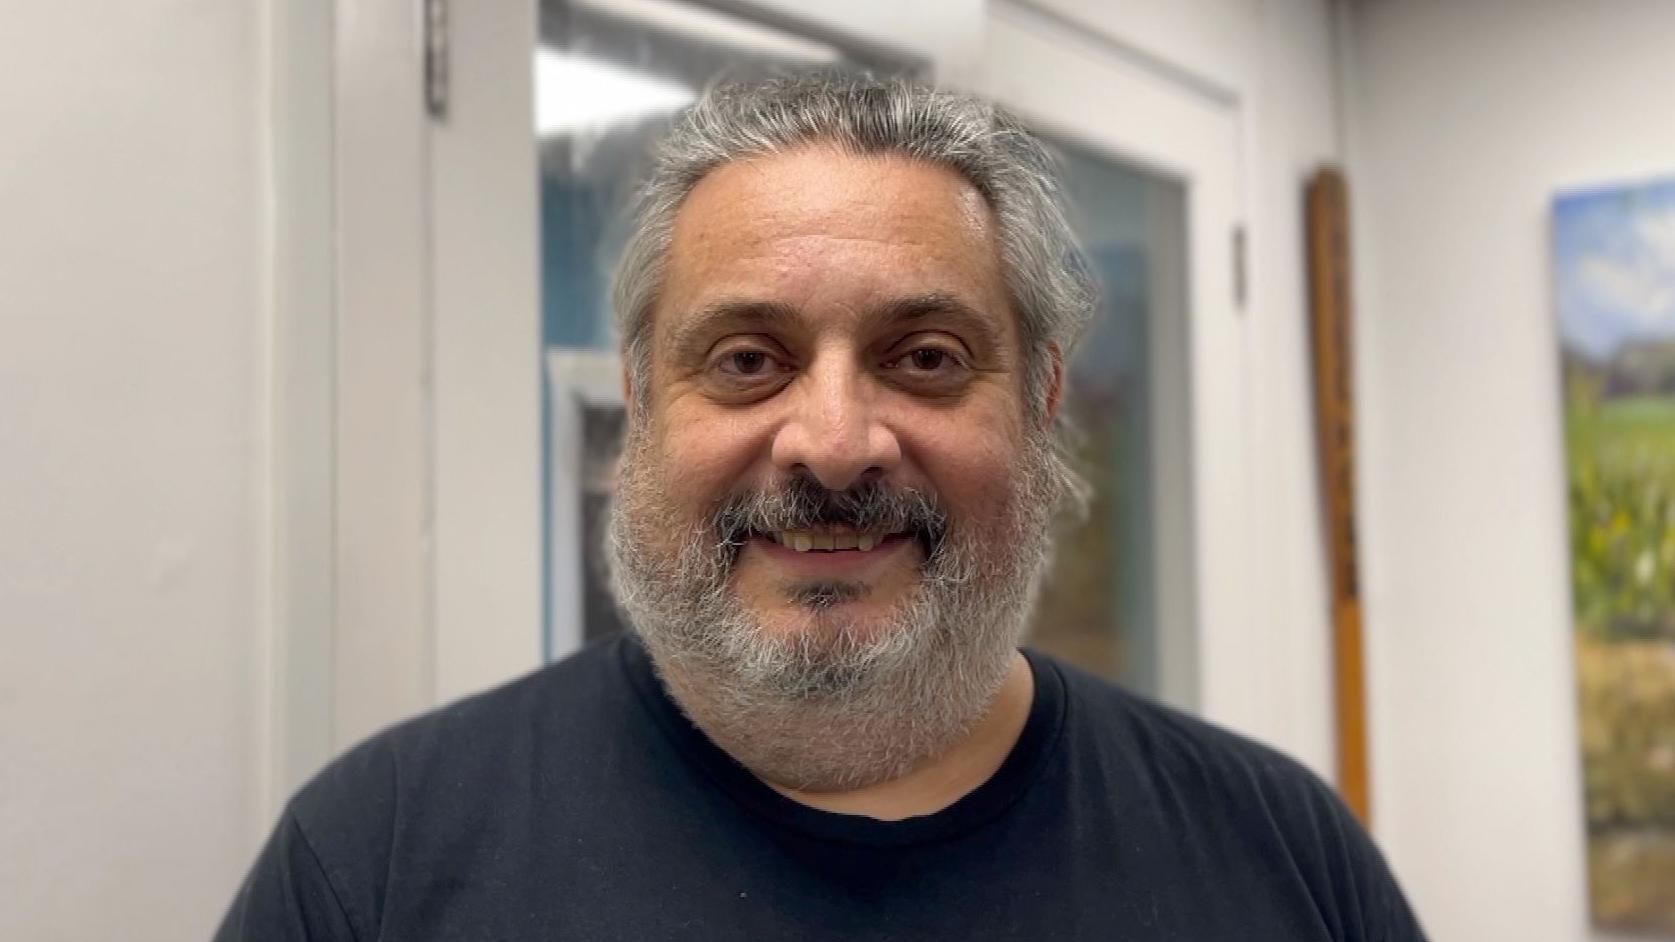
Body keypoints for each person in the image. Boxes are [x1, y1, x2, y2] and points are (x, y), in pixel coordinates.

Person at [217, 74, 1426, 940]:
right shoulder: (376, 862)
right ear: (641, 400)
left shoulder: (1286, 858)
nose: (837, 446)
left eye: (926, 358)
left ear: (1041, 402)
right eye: (748, 360)